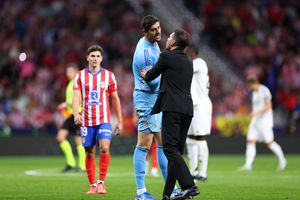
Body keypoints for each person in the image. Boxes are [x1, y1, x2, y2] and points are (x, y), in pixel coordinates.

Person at [141, 29, 200, 200]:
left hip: (172, 108)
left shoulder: (166, 56)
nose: (167, 39)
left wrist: (146, 74)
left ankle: (189, 186)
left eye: (170, 37)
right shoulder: (189, 60)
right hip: (187, 109)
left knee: (169, 150)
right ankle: (167, 195)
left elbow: (151, 75)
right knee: (175, 154)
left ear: (173, 42)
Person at [72, 45, 123, 194]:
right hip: (86, 120)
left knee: (105, 148)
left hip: (104, 119)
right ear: (87, 57)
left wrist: (119, 121)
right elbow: (76, 96)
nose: (95, 59)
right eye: (92, 56)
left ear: (101, 58)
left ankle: (101, 182)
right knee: (89, 152)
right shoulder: (80, 76)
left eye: (98, 56)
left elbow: (115, 98)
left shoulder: (109, 76)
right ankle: (92, 184)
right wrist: (76, 114)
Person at [132, 15, 169, 200]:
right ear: (145, 32)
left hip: (154, 100)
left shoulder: (153, 43)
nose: (159, 32)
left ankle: (170, 188)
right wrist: (167, 73)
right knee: (144, 144)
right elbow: (153, 83)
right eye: (154, 30)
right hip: (147, 100)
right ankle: (140, 193)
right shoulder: (144, 55)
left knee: (162, 143)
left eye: (159, 27)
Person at [240, 76, 287, 171]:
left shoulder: (264, 90)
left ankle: (282, 160)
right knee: (250, 141)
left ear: (254, 83)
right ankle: (248, 165)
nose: (250, 88)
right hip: (255, 121)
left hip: (265, 121)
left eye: (250, 86)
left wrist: (256, 112)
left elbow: (269, 106)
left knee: (270, 143)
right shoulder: (254, 92)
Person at [185, 44, 212, 182]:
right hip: (192, 105)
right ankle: (193, 170)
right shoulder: (192, 64)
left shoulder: (199, 63)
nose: (185, 53)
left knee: (200, 137)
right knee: (190, 138)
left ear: (193, 52)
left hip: (201, 105)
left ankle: (203, 172)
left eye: (187, 51)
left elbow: (184, 67)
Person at [56, 64, 85, 172]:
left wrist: (66, 104)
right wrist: (66, 104)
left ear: (76, 72)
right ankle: (71, 162)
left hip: (78, 114)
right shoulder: (70, 84)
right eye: (67, 72)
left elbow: (81, 99)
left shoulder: (79, 84)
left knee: (79, 141)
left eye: (70, 72)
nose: (68, 74)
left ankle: (82, 166)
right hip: (71, 115)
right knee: (60, 138)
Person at [132, 108, 159, 177]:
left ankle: (154, 167)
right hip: (144, 115)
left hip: (155, 115)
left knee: (155, 141)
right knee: (144, 143)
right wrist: (134, 115)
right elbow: (137, 101)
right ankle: (145, 166)